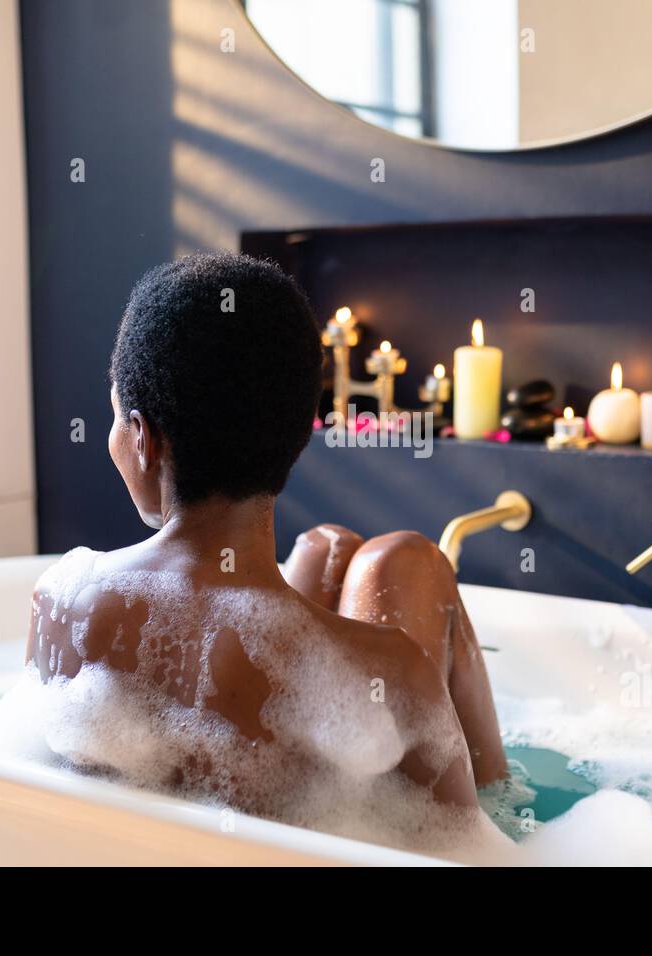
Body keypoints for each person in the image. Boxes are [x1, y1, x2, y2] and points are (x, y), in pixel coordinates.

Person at [25, 252, 507, 827]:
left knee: (324, 548)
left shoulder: (59, 604)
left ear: (143, 439)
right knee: (409, 561)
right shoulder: (399, 675)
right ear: (297, 434)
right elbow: (471, 849)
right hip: (338, 767)